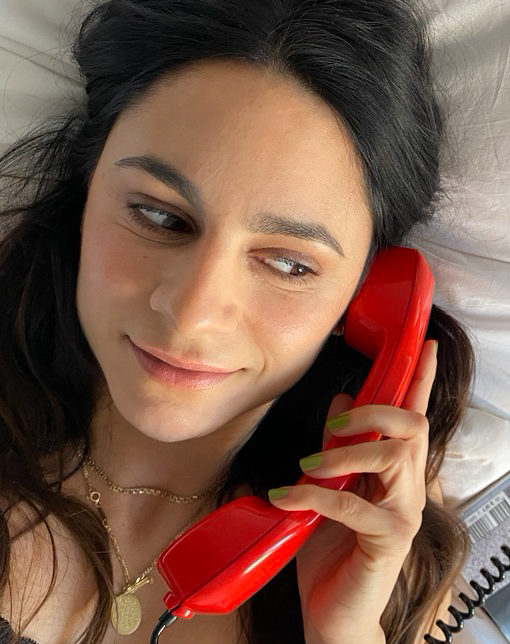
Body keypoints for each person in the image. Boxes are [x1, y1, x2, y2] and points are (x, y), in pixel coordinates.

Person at [0, 0, 474, 642]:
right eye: (159, 217)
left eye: (288, 264)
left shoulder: (391, 570)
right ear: (85, 196)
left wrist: (344, 631)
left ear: (365, 300)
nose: (192, 312)